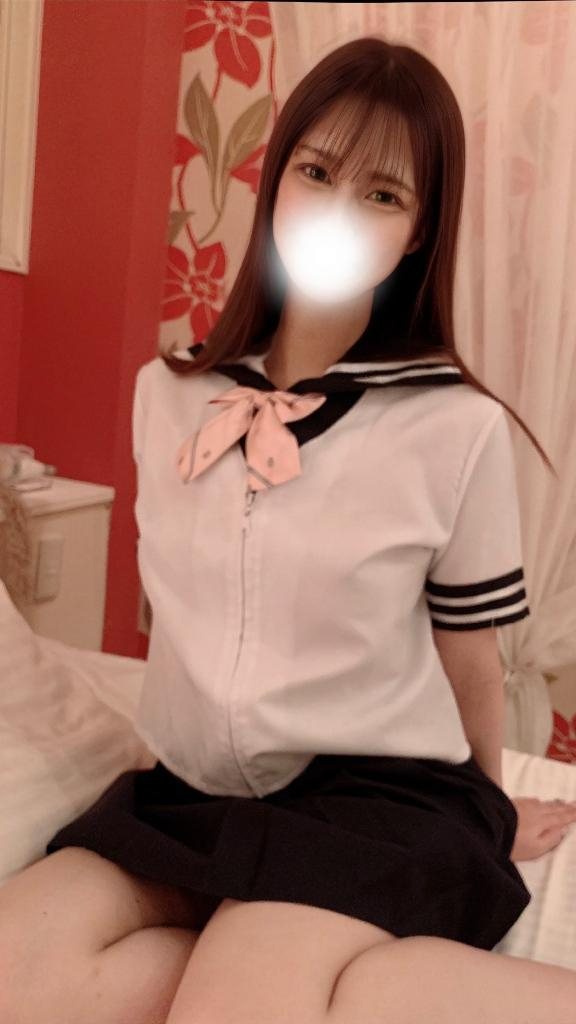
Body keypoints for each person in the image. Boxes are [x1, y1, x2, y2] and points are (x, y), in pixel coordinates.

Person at [3, 34, 576, 1024]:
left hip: (377, 798)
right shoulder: (163, 396)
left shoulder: (455, 426)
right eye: (317, 172)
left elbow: (469, 658)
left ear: (418, 233)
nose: (339, 210)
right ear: (275, 184)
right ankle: (353, 983)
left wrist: (487, 812)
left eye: (383, 195)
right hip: (194, 794)